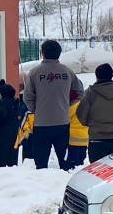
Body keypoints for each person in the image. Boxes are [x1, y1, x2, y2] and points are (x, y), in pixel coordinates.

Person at [23, 40, 83, 171]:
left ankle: (42, 186)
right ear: (59, 54)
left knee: (41, 162)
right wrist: (66, 104)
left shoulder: (34, 73)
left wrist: (36, 109)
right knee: (65, 161)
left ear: (42, 53)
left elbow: (27, 97)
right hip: (62, 122)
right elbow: (79, 92)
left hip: (41, 123)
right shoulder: (67, 72)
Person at [0, 84, 21, 168]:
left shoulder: (3, 103)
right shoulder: (15, 102)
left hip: (2, 135)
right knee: (11, 161)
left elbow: (0, 116)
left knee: (1, 163)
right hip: (13, 133)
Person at [67, 90, 88, 169]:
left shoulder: (72, 107)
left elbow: (66, 118)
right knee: (81, 159)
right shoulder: (86, 106)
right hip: (84, 137)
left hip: (73, 139)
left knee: (72, 160)